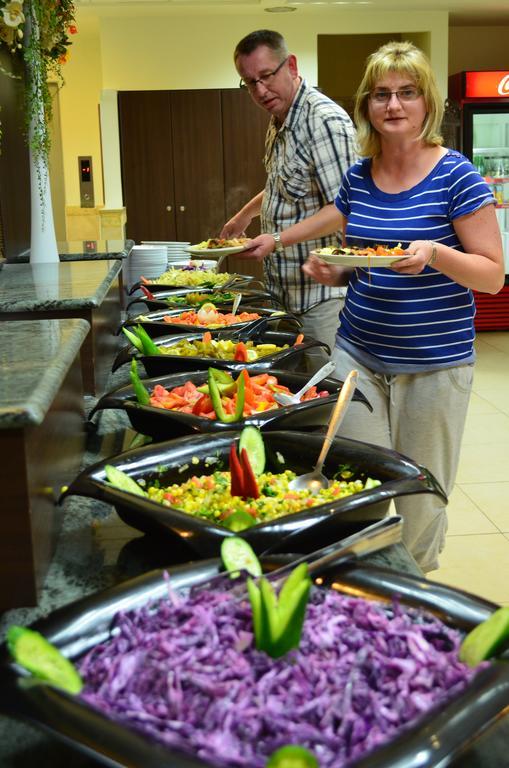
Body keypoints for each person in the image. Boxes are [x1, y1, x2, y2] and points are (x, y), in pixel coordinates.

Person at [245, 41, 505, 572]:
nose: (394, 105)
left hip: (433, 364)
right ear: (367, 105)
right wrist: (333, 268)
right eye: (382, 94)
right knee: (357, 485)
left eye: (407, 93)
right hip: (357, 355)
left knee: (419, 498)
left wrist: (435, 254)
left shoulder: (457, 176)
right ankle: (365, 588)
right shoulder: (359, 177)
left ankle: (411, 599)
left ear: (426, 102)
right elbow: (361, 257)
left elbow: (493, 276)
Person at [221, 29, 357, 371]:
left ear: (291, 65)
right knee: (296, 400)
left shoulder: (324, 121)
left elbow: (344, 209)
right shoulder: (280, 121)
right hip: (286, 295)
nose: (260, 90)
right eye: (249, 82)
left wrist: (277, 239)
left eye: (266, 76)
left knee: (326, 401)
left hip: (321, 299)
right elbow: (282, 183)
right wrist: (245, 215)